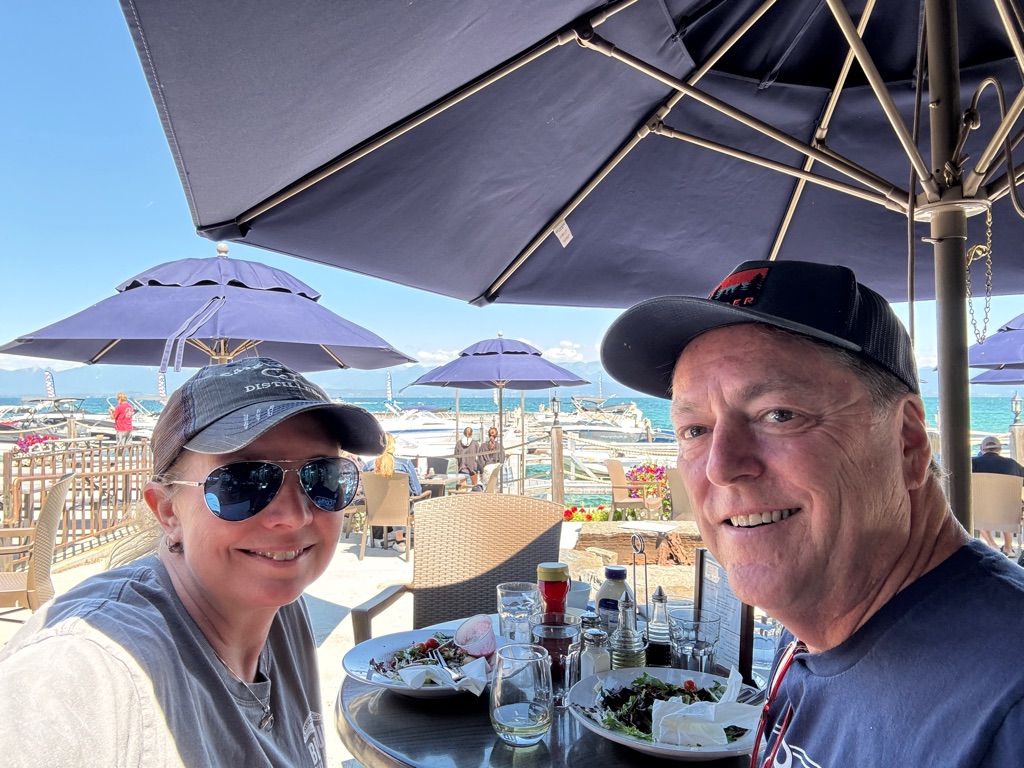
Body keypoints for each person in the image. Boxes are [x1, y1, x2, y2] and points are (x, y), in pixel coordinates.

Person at [601, 260, 1024, 766]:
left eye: (779, 415)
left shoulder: (1006, 711)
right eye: (695, 430)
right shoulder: (817, 610)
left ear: (908, 442)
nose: (720, 468)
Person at [0, 357, 384, 765]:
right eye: (243, 482)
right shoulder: (86, 669)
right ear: (168, 511)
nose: (294, 516)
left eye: (323, 476)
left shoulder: (282, 609)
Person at [363, 433, 424, 547]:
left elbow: (366, 493)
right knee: (402, 501)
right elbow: (417, 492)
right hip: (401, 511)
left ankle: (378, 537)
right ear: (393, 446)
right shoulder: (405, 463)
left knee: (386, 501)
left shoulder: (368, 465)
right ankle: (399, 540)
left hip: (377, 510)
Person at [972, 435, 1024, 555]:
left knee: (975, 508)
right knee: (1008, 505)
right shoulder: (1011, 464)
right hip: (1007, 513)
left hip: (981, 513)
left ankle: (992, 544)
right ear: (999, 450)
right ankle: (1008, 547)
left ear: (982, 450)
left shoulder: (972, 463)